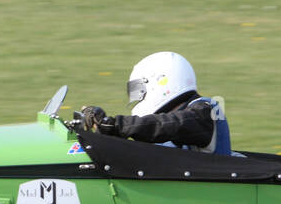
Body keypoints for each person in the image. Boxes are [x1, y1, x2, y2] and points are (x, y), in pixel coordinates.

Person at [76, 51, 232, 154]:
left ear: (161, 81)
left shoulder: (206, 112)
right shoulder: (171, 130)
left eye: (139, 90)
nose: (138, 96)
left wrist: (117, 125)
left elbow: (170, 125)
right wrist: (103, 133)